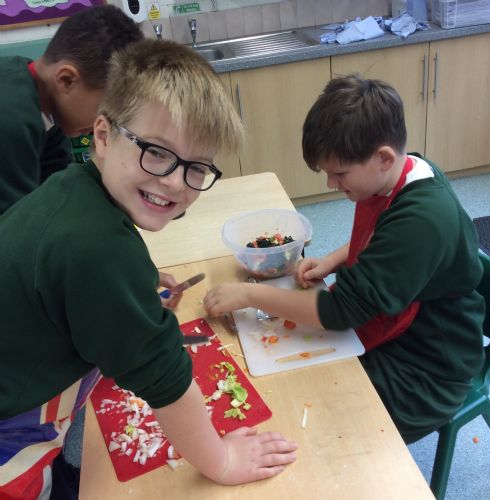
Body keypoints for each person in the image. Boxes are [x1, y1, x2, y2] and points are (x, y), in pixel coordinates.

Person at [0, 39, 298, 499]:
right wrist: (222, 460)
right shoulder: (97, 248)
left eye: (197, 167)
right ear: (102, 136)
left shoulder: (74, 190)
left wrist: (134, 282)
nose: (176, 181)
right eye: (155, 152)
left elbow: (70, 272)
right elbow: (163, 377)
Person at [203, 74, 486, 444]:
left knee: (311, 417)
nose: (331, 184)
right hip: (400, 333)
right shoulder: (402, 171)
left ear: (384, 158)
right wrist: (334, 259)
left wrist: (248, 294)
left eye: (339, 173)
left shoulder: (423, 218)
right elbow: (385, 236)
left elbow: (340, 312)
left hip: (427, 370)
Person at [0, 4, 144, 215]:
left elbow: (61, 188)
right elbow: (15, 224)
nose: (104, 123)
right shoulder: (11, 118)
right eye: (104, 110)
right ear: (66, 80)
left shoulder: (45, 109)